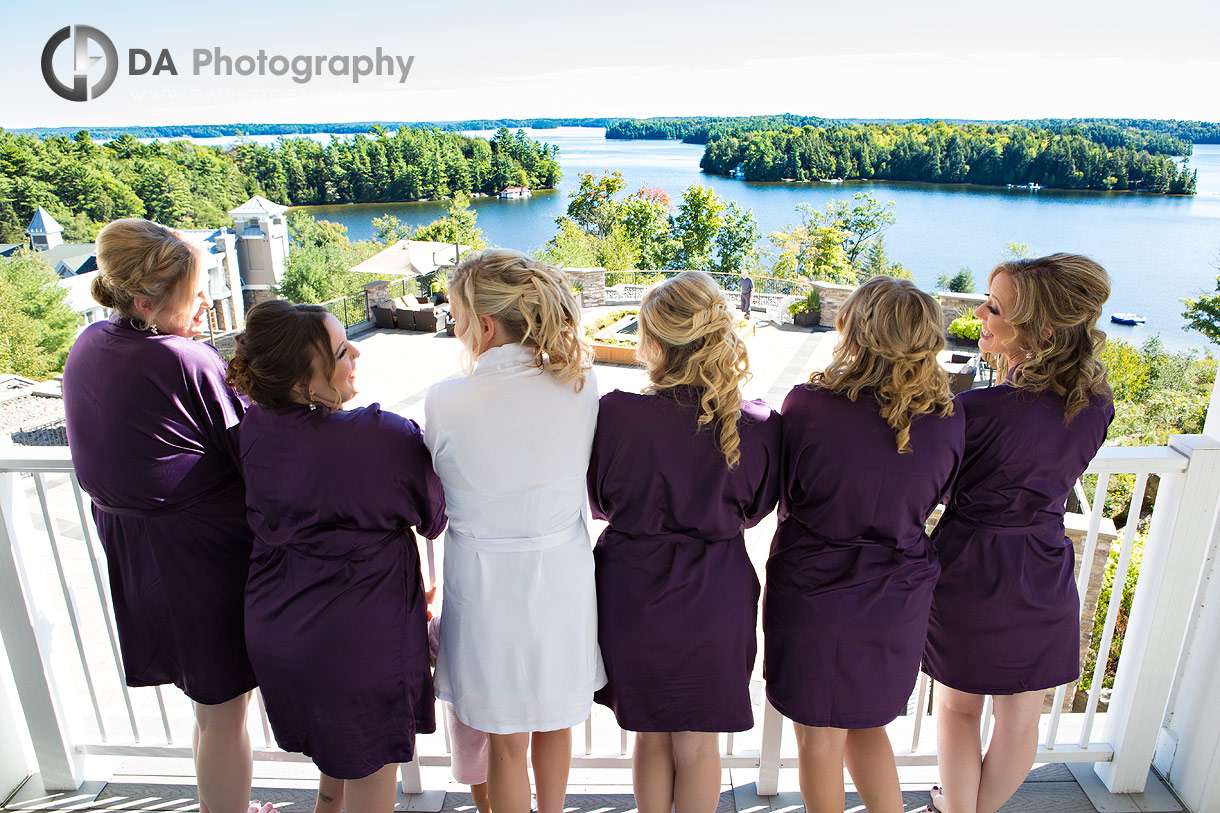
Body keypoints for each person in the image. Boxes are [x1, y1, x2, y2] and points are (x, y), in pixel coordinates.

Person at [62, 218, 257, 813]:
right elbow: (251, 444)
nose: (204, 304)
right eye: (193, 294)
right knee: (224, 707)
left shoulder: (89, 344)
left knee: (208, 703)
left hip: (134, 546)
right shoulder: (183, 360)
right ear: (146, 302)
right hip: (197, 554)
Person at [225, 300, 445, 813]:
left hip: (281, 628)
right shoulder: (383, 437)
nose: (356, 353)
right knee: (372, 777)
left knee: (337, 751)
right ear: (303, 383)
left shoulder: (254, 429)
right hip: (358, 639)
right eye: (342, 350)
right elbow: (433, 517)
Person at [763, 276, 964, 813]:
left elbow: (787, 484)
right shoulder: (947, 416)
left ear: (858, 329)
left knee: (818, 738)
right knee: (868, 726)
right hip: (897, 593)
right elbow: (938, 492)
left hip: (815, 588)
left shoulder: (809, 405)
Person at [922, 254, 1114, 813]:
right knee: (1020, 721)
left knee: (959, 709)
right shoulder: (1095, 404)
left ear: (1041, 330)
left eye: (995, 306)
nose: (979, 312)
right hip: (1042, 567)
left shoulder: (972, 411)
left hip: (970, 565)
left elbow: (933, 485)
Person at [588, 271, 781, 813]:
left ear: (652, 340)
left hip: (634, 594)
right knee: (698, 744)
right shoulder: (759, 424)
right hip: (715, 596)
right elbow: (758, 508)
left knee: (650, 735)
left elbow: (601, 501)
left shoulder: (617, 414)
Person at [423, 249, 605, 813]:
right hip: (562, 578)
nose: (455, 327)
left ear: (485, 324)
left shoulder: (447, 399)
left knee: (504, 743)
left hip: (484, 585)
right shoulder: (581, 386)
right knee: (556, 724)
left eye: (456, 315)